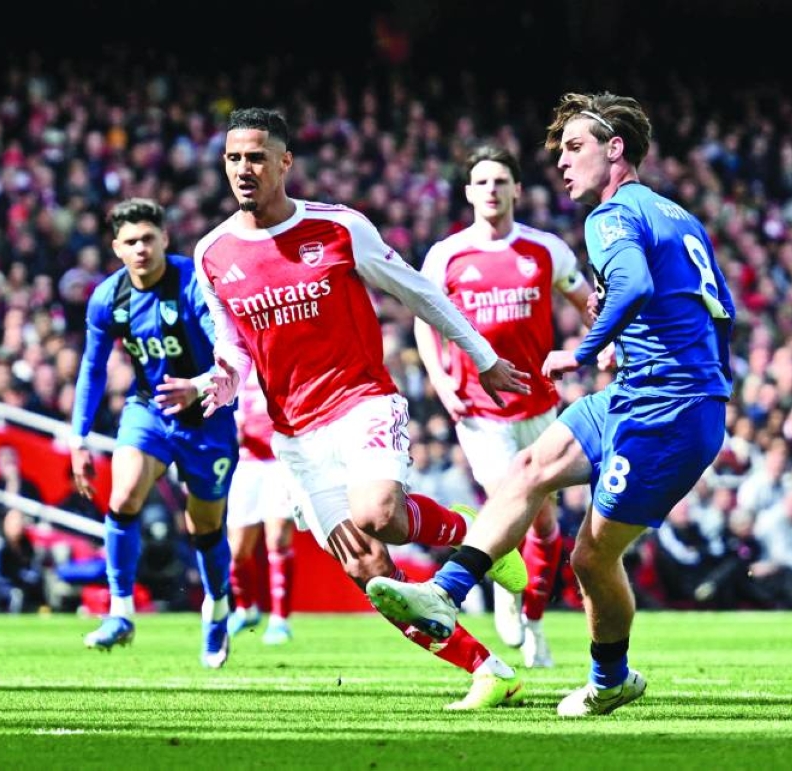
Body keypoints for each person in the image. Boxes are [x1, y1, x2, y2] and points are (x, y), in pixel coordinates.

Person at [365, 92, 736, 717]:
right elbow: (711, 305)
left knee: (591, 557)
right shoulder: (674, 214)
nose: (561, 163)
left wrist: (585, 350)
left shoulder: (609, 215)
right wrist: (635, 347)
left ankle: (610, 679)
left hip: (668, 412)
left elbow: (637, 285)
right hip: (638, 393)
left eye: (574, 147)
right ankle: (445, 593)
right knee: (530, 469)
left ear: (615, 149)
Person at [195, 107, 532, 709]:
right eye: (232, 158)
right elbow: (234, 348)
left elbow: (419, 291)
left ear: (284, 163)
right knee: (373, 572)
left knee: (378, 512)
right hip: (295, 435)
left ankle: (478, 538)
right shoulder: (213, 253)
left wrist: (480, 356)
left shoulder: (340, 228)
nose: (243, 169)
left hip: (361, 401)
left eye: (255, 157)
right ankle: (488, 668)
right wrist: (214, 382)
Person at [415, 145, 593, 668]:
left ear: (517, 189)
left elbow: (585, 303)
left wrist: (602, 344)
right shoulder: (446, 255)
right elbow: (426, 319)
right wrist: (441, 380)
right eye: (481, 182)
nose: (491, 190)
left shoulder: (545, 250)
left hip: (539, 407)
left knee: (544, 524)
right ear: (469, 193)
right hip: (479, 410)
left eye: (500, 181)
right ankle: (503, 593)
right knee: (509, 501)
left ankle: (534, 618)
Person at [70, 197, 239, 669]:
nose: (141, 248)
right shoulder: (108, 298)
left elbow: (228, 351)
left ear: (165, 238)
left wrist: (200, 385)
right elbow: (92, 368)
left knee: (201, 525)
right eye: (131, 241)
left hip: (208, 413)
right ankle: (120, 610)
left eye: (148, 238)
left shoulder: (192, 284)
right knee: (122, 496)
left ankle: (217, 606)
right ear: (116, 248)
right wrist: (78, 437)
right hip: (149, 410)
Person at [226, 365, 299, 645]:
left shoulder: (283, 357)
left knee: (278, 537)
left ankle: (280, 620)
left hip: (280, 461)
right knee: (237, 550)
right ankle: (246, 608)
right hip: (246, 463)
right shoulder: (235, 360)